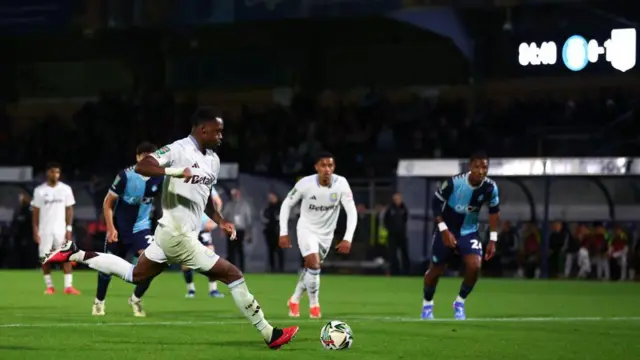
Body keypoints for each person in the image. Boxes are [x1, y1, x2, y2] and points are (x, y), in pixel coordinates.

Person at [43, 108, 298, 349]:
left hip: (170, 234)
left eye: (222, 131)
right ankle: (269, 333)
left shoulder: (214, 161)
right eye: (216, 131)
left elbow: (204, 195)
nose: (221, 136)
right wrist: (176, 171)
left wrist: (220, 220)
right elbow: (144, 166)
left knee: (136, 275)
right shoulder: (178, 149)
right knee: (233, 275)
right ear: (201, 130)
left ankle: (75, 253)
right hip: (178, 235)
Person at [421, 152, 500, 320]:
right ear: (470, 167)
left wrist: (493, 238)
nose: (480, 171)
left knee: (475, 266)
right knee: (435, 271)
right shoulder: (454, 183)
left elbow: (494, 211)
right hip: (446, 230)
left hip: (468, 231)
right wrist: (443, 230)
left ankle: (459, 302)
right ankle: (427, 304)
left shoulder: (490, 188)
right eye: (477, 166)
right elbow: (435, 203)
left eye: (484, 167)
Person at [279, 152, 358, 318]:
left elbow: (352, 212)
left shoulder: (341, 183)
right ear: (316, 167)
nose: (327, 169)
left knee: (310, 268)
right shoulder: (305, 183)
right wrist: (283, 232)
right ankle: (314, 306)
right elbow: (287, 204)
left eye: (330, 165)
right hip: (306, 229)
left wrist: (347, 238)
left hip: (326, 235)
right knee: (314, 266)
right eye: (323, 165)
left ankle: (294, 299)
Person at [93, 142, 163, 317]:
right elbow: (107, 203)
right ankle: (99, 302)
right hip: (119, 227)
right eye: (143, 157)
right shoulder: (126, 176)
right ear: (137, 157)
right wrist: (110, 228)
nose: (147, 160)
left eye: (151, 157)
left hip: (141, 228)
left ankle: (135, 299)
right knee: (105, 269)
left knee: (153, 264)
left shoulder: (161, 177)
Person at [32, 162, 80, 295]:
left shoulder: (65, 189)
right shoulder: (40, 190)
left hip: (61, 229)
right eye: (53, 172)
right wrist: (35, 230)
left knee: (66, 256)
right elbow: (35, 212)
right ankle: (49, 286)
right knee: (45, 258)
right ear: (48, 173)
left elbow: (69, 209)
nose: (55, 175)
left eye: (57, 172)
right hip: (45, 230)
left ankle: (68, 286)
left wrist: (69, 228)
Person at [183, 186, 224, 298]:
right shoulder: (183, 185)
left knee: (211, 259)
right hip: (189, 229)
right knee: (186, 264)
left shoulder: (207, 185)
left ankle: (213, 290)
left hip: (203, 229)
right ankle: (191, 290)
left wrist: (215, 220)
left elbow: (218, 202)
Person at [222, 188, 253, 271]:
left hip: (240, 230)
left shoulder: (244, 205)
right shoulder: (229, 205)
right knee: (231, 250)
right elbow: (224, 216)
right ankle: (232, 268)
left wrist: (249, 232)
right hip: (231, 230)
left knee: (240, 249)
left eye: (237, 194)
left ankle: (242, 268)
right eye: (234, 194)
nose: (236, 196)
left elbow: (248, 219)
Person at [384, 192, 409, 275]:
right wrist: (391, 229)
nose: (397, 200)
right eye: (395, 199)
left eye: (398, 199)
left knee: (404, 253)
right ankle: (395, 272)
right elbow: (386, 221)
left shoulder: (403, 208)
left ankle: (406, 272)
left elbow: (405, 219)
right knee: (393, 255)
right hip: (392, 235)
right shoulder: (390, 209)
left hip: (401, 234)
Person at [262, 191, 284, 272]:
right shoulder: (267, 209)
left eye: (272, 197)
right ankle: (272, 267)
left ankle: (281, 268)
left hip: (279, 232)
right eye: (269, 198)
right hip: (270, 233)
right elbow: (263, 218)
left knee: (280, 251)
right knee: (271, 250)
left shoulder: (281, 208)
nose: (270, 199)